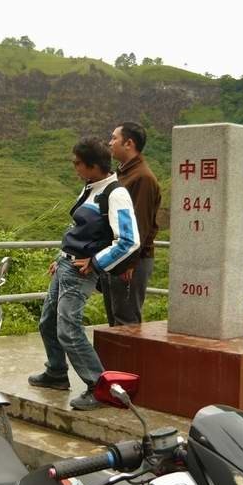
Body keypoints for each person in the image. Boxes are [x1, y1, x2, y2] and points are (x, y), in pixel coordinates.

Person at [29, 137, 140, 410]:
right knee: (47, 322)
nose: (74, 167)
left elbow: (129, 240)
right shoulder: (90, 188)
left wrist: (96, 263)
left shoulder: (115, 193)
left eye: (77, 163)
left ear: (93, 165)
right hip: (67, 266)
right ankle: (56, 373)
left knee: (69, 330)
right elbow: (79, 229)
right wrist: (62, 256)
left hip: (82, 271)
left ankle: (100, 387)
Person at [102, 122, 161, 326]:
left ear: (129, 143)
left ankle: (129, 359)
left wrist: (129, 262)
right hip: (116, 256)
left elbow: (141, 224)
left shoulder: (142, 178)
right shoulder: (122, 173)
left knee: (126, 321)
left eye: (114, 138)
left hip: (129, 260)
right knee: (115, 319)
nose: (110, 143)